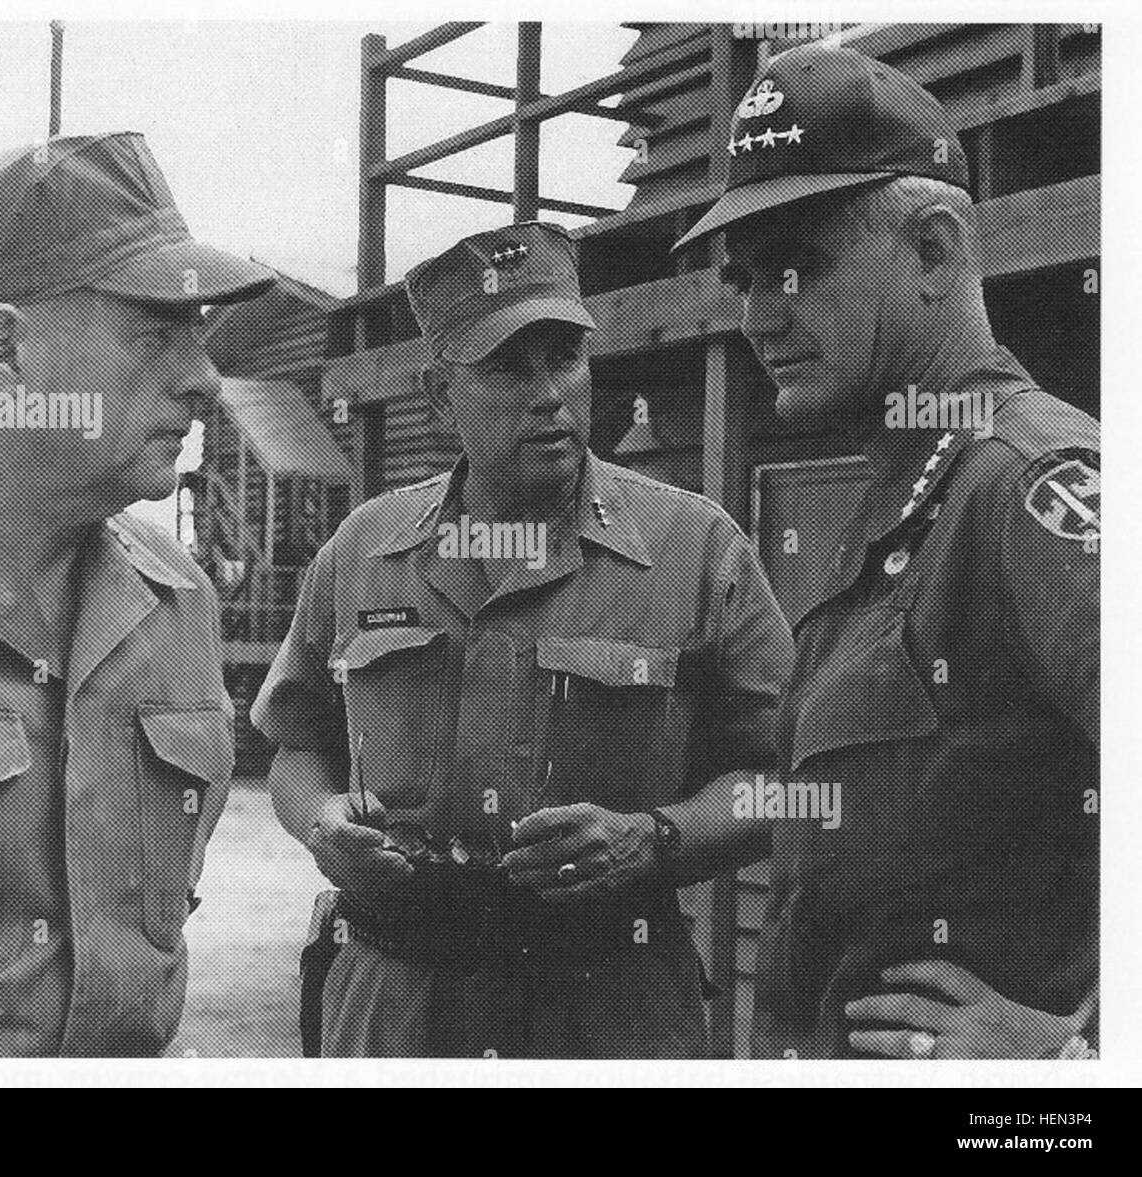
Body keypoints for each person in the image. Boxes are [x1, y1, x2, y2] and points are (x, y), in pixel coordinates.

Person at [252, 221, 794, 1057]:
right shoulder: (363, 550)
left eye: (565, 357)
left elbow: (782, 778)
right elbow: (296, 745)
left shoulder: (696, 550)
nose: (549, 393)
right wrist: (324, 820)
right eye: (508, 366)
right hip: (393, 1007)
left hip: (608, 1006)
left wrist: (653, 837)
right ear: (438, 395)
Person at [674, 44, 1099, 1058]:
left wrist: (1075, 1054)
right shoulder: (902, 503)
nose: (757, 316)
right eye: (742, 279)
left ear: (936, 251)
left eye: (796, 267)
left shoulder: (1031, 488)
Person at [0, 132, 276, 1056]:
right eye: (157, 329)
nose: (205, 377)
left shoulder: (179, 605)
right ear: (7, 351)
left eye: (200, 336)